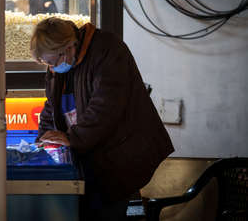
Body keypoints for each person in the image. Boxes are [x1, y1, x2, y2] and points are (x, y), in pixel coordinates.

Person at [30, 17, 174, 221]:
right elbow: (52, 104)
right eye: (47, 64)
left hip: (121, 155)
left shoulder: (108, 50)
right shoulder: (61, 62)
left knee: (106, 211)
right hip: (92, 154)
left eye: (52, 62)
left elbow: (106, 107)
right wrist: (44, 138)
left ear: (69, 46)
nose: (51, 69)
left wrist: (72, 137)